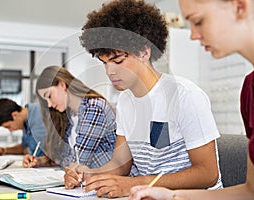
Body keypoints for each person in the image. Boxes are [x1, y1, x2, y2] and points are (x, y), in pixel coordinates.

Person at [64, 0, 223, 198]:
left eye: (118, 61)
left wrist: (134, 184)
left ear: (144, 52)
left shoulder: (184, 95)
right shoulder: (125, 101)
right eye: (104, 63)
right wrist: (89, 175)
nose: (110, 71)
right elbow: (120, 165)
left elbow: (208, 173)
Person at [129, 0, 254, 199]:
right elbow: (249, 192)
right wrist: (170, 196)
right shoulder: (249, 88)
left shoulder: (185, 95)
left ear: (239, 6)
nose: (193, 35)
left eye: (199, 21)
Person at [22, 65, 116, 169]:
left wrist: (56, 160)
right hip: (86, 182)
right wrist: (41, 161)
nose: (49, 104)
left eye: (49, 96)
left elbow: (79, 161)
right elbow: (65, 157)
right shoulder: (69, 115)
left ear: (62, 84)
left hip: (111, 182)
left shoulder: (94, 108)